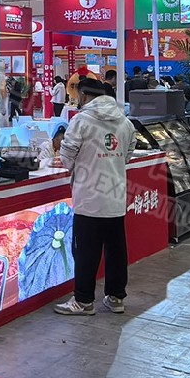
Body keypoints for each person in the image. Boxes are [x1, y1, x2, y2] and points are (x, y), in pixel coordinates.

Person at [53, 78, 135, 316]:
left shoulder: (81, 121)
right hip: (115, 196)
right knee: (116, 250)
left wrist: (81, 165)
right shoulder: (125, 122)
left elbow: (67, 156)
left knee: (86, 252)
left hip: (89, 198)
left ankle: (83, 301)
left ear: (84, 96)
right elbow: (128, 154)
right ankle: (116, 297)